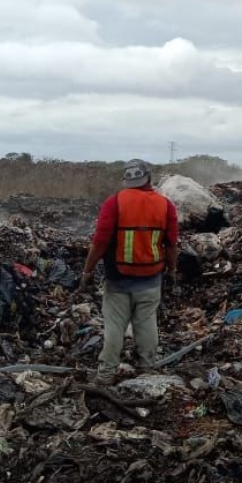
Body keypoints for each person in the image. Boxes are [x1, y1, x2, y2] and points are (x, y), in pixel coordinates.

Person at [79, 159, 179, 385]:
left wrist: (87, 271)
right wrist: (172, 271)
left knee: (115, 325)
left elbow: (100, 242)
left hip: (118, 278)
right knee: (146, 321)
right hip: (151, 277)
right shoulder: (165, 205)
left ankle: (106, 374)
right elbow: (171, 244)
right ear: (149, 179)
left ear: (126, 180)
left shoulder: (114, 203)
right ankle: (147, 367)